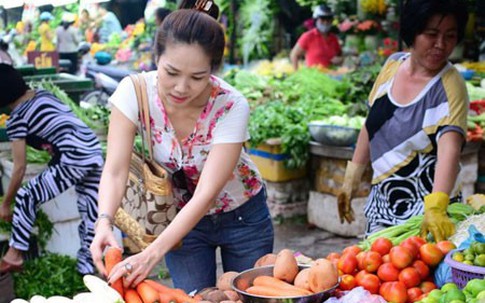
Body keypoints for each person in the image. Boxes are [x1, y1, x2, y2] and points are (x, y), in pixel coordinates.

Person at [89, 3, 274, 293]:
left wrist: (152, 253)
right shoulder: (133, 92)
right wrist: (104, 222)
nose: (181, 88)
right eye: (171, 72)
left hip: (243, 216)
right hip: (178, 219)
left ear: (213, 70)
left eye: (197, 77)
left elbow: (206, 193)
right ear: (156, 57)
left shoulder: (230, 105)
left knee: (248, 297)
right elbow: (114, 171)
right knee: (191, 298)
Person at [337, 0, 469, 242]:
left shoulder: (450, 85)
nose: (441, 44)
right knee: (373, 274)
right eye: (431, 34)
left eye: (450, 36)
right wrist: (351, 178)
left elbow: (449, 152)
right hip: (382, 204)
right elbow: (371, 125)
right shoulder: (392, 66)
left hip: (426, 215)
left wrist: (437, 206)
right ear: (412, 32)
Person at [0, 63, 104, 275]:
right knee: (90, 213)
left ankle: (15, 254)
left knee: (26, 196)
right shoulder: (43, 95)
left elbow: (20, 168)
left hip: (75, 157)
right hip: (93, 151)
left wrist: (6, 203)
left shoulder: (17, 119)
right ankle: (88, 269)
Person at [290, 4, 342, 70]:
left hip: (331, 75)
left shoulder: (334, 38)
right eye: (322, 19)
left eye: (328, 19)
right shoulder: (308, 36)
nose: (325, 22)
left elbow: (340, 55)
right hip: (313, 76)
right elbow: (294, 55)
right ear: (316, 20)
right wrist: (296, 73)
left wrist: (340, 60)